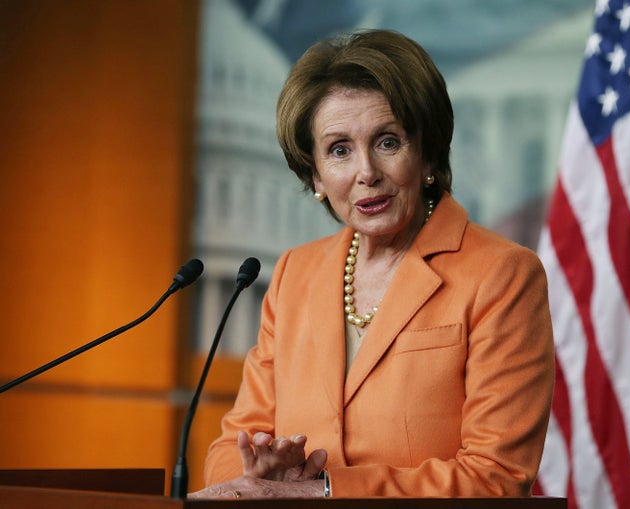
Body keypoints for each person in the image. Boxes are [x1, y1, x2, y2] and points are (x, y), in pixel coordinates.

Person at [190, 29, 555, 500]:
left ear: (426, 153)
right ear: (316, 174)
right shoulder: (294, 275)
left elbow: (494, 477)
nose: (366, 172)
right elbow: (231, 443)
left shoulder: (503, 275)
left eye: (387, 142)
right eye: (339, 149)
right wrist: (253, 478)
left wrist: (322, 492)